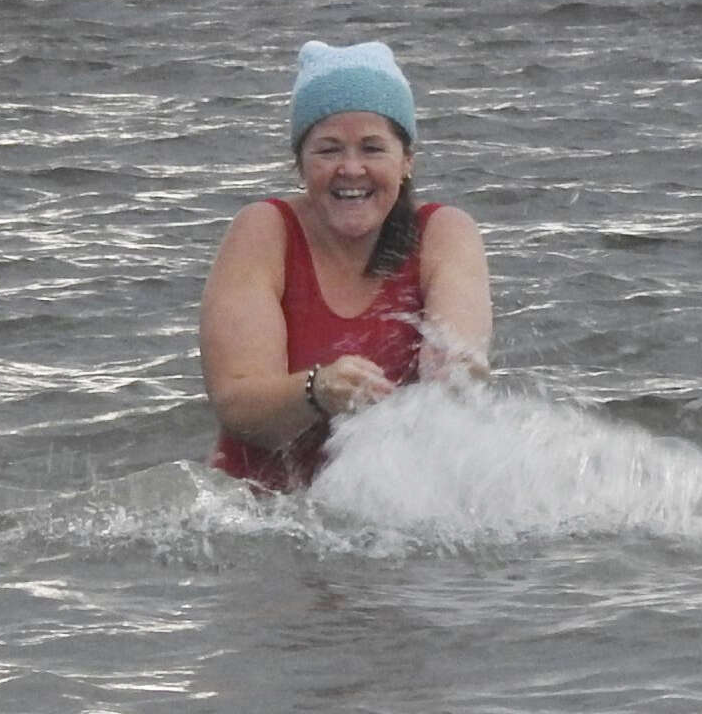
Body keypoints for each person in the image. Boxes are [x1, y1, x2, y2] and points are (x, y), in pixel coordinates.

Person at [200, 39, 491, 491]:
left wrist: (454, 371)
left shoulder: (445, 232)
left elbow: (459, 354)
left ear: (406, 161)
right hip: (256, 510)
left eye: (372, 149)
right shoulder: (264, 230)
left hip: (392, 506)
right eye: (329, 150)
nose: (351, 169)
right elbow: (237, 404)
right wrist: (317, 390)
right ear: (300, 164)